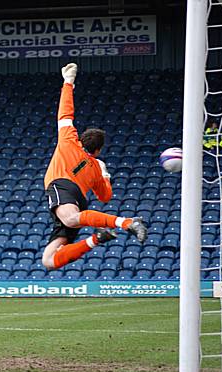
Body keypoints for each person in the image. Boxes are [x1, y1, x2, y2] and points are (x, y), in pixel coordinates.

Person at [41, 63, 148, 272]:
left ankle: (126, 223)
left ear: (81, 139)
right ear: (98, 150)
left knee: (71, 219)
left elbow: (65, 113)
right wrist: (105, 174)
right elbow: (105, 197)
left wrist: (68, 81)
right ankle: (97, 238)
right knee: (49, 260)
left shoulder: (69, 140)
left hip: (62, 186)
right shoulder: (97, 167)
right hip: (78, 198)